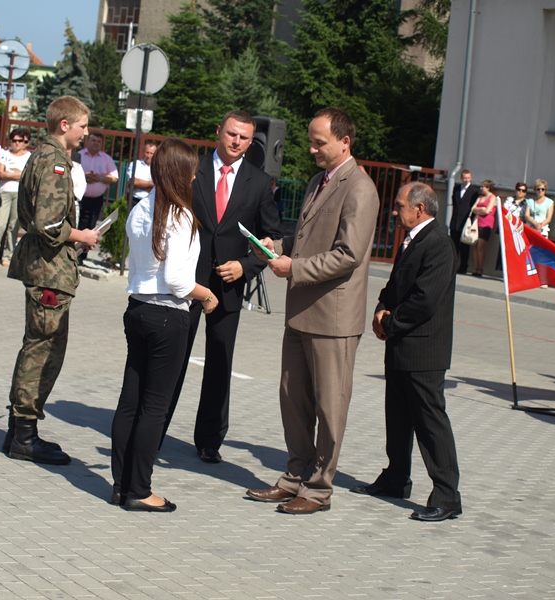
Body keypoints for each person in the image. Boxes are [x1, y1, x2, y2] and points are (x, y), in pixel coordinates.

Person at [247, 107, 380, 514]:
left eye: (319, 142)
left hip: (333, 317)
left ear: (345, 141)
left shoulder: (360, 188)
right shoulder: (317, 181)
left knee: (329, 405)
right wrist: (277, 247)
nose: (311, 149)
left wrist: (294, 268)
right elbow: (309, 237)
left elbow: (348, 254)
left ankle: (318, 489)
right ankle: (295, 476)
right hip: (301, 311)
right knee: (293, 399)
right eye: (310, 141)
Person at [162, 110, 282, 464]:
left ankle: (209, 439)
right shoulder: (192, 169)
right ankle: (155, 430)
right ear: (219, 132)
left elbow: (271, 240)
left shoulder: (259, 182)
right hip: (187, 282)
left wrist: (246, 266)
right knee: (173, 358)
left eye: (244, 138)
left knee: (219, 361)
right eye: (231, 134)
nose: (236, 142)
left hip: (229, 286)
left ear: (251, 141)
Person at [110, 139, 220, 512]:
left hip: (138, 308)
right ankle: (139, 490)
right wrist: (206, 295)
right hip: (168, 315)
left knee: (130, 401)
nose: (195, 177)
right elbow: (177, 281)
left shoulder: (141, 207)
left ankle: (121, 485)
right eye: (191, 171)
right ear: (179, 173)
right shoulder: (181, 215)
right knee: (154, 407)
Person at [351, 182, 462, 522]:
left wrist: (391, 322)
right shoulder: (411, 240)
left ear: (420, 208)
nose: (395, 211)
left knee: (429, 423)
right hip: (400, 346)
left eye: (399, 206)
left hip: (423, 351)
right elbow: (395, 287)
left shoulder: (439, 244)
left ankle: (447, 494)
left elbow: (425, 299)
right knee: (397, 417)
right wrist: (380, 311)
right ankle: (396, 478)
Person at [1, 96, 101, 465]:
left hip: (47, 266)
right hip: (49, 268)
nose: (85, 132)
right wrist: (81, 235)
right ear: (64, 125)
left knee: (37, 344)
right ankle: (24, 435)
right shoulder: (55, 162)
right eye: (82, 126)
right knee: (43, 349)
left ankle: (18, 430)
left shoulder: (41, 155)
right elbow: (48, 223)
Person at [0, 128, 31, 266]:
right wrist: (17, 174)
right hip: (4, 192)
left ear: (24, 142)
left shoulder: (28, 156)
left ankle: (7, 255)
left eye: (20, 141)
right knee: (0, 224)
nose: (16, 143)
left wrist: (9, 174)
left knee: (13, 225)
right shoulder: (4, 154)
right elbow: (1, 174)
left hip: (19, 193)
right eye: (14, 140)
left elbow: (26, 175)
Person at [77, 130, 118, 264]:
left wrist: (100, 178)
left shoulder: (106, 159)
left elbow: (114, 177)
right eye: (93, 140)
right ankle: (73, 254)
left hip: (96, 200)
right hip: (80, 198)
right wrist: (84, 177)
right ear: (87, 141)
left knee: (91, 227)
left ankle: (81, 257)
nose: (95, 143)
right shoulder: (78, 155)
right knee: (78, 226)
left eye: (98, 141)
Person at [449, 169, 480, 275]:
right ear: (461, 178)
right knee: (454, 245)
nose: (466, 180)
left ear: (471, 178)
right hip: (455, 220)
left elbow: (473, 207)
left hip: (466, 221)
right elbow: (454, 203)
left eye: (468, 178)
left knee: (464, 246)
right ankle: (452, 265)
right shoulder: (456, 188)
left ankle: (463, 267)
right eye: (465, 178)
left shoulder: (474, 191)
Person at [470, 179, 497, 277]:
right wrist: (481, 209)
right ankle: (475, 268)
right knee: (475, 246)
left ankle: (480, 269)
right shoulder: (480, 197)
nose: (481, 188)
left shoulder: (492, 197)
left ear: (488, 188)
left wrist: (480, 210)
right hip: (476, 223)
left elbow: (487, 211)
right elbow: (473, 209)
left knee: (481, 246)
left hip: (486, 225)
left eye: (483, 187)